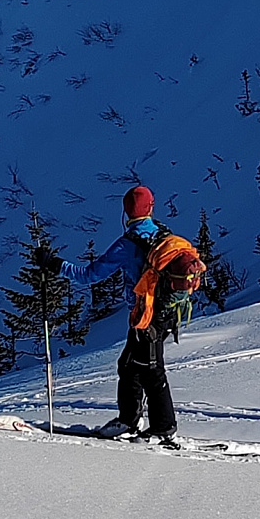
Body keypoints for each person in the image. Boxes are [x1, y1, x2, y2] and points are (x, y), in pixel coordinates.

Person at [37, 185, 180, 441]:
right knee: (129, 366)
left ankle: (162, 426)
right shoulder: (163, 236)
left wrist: (55, 264)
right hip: (163, 315)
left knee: (151, 370)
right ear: (151, 208)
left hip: (147, 318)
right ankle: (129, 420)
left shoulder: (128, 244)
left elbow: (89, 275)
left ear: (126, 212)